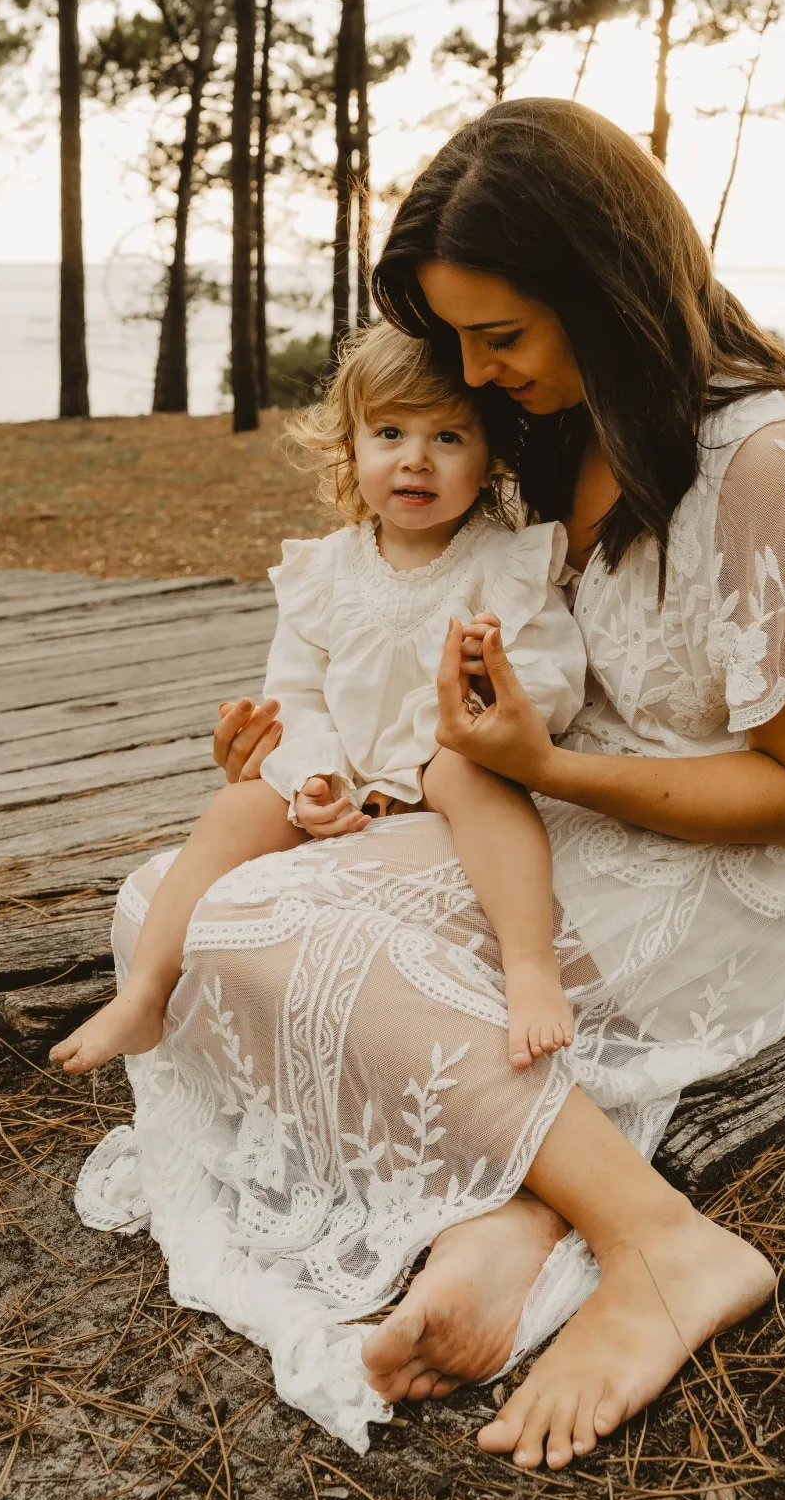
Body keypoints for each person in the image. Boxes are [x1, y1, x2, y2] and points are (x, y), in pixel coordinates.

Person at [73, 98, 785, 1470]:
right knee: (187, 897)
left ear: (601, 286)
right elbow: (443, 654)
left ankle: (661, 1245)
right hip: (548, 814)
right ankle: (511, 1218)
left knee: (296, 940)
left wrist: (542, 765)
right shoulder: (554, 426)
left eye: (499, 335)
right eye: (457, 340)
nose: (476, 372)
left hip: (724, 872)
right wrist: (313, 761)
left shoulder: (779, 462)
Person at [51, 322, 586, 1079]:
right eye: (390, 432)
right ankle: (145, 991)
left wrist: (499, 678)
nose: (415, 458)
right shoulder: (326, 572)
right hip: (345, 781)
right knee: (234, 808)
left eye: (449, 438)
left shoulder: (505, 562)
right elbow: (297, 694)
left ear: (490, 455)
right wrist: (311, 780)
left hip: (449, 770)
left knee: (470, 775)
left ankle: (531, 969)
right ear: (351, 448)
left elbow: (556, 678)